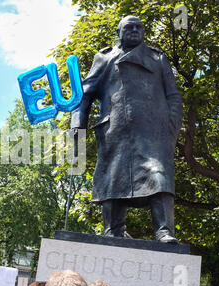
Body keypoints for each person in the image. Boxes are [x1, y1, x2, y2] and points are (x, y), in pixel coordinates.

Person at [70, 15, 183, 243]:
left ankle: (164, 231)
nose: (134, 30)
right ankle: (113, 230)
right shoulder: (105, 58)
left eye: (139, 27)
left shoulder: (157, 58)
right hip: (115, 131)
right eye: (128, 27)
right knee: (113, 179)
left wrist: (171, 128)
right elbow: (84, 95)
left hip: (154, 133)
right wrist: (77, 124)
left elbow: (173, 96)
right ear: (118, 31)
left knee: (159, 175)